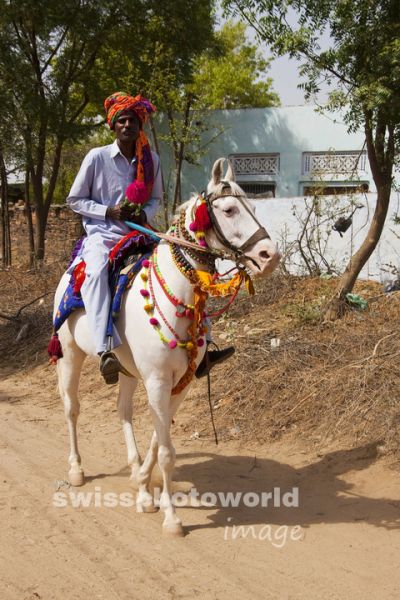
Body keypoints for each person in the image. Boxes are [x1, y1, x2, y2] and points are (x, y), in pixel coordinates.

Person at [67, 91, 234, 384]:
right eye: (122, 120)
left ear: (139, 125)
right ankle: (105, 349)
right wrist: (109, 211)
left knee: (188, 268)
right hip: (102, 234)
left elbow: (155, 200)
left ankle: (206, 344)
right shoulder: (97, 158)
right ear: (113, 125)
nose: (128, 125)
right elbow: (75, 200)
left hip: (140, 233)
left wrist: (143, 215)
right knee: (95, 274)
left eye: (133, 120)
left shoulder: (151, 159)